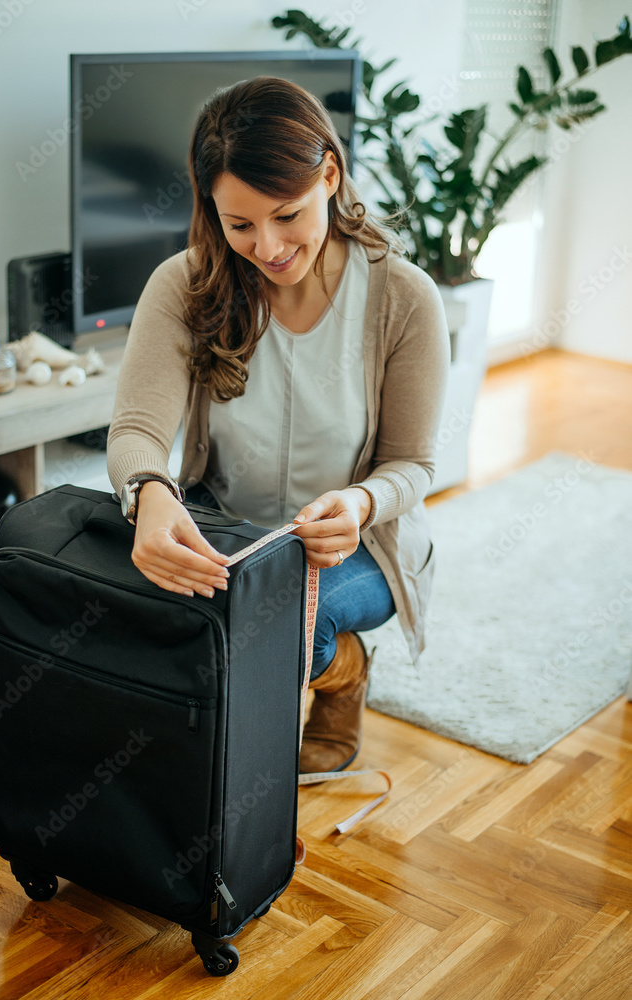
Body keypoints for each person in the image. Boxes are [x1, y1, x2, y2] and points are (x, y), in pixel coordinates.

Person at [106, 76, 450, 775]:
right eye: (240, 225)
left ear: (329, 175)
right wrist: (149, 492)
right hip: (227, 524)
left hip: (357, 547)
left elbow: (413, 465)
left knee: (280, 625)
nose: (266, 246)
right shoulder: (185, 284)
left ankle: (342, 670)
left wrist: (360, 503)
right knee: (135, 605)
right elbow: (138, 429)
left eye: (286, 215)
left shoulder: (403, 297)